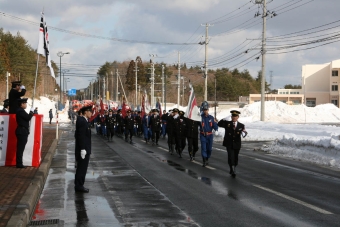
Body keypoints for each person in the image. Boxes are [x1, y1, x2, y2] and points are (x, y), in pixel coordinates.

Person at [218, 110, 247, 178]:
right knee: (231, 156)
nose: (234, 117)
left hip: (237, 144)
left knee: (235, 157)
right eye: (233, 116)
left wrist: (244, 133)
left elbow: (244, 132)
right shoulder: (227, 123)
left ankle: (233, 167)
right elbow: (219, 124)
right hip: (229, 143)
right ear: (231, 117)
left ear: (238, 117)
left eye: (235, 116)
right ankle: (233, 169)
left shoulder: (241, 125)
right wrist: (223, 119)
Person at [74, 105, 92, 193]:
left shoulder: (84, 121)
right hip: (83, 149)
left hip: (84, 148)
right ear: (86, 112)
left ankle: (78, 184)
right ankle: (79, 185)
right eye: (90, 111)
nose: (91, 113)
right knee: (82, 168)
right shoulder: (82, 122)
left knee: (81, 167)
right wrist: (82, 149)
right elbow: (81, 136)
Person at [15, 98, 35, 168]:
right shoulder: (20, 111)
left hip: (23, 131)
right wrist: (31, 112)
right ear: (22, 104)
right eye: (25, 103)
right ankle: (19, 163)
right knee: (20, 148)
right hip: (22, 131)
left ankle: (19, 163)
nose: (26, 105)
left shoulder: (21, 110)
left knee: (21, 148)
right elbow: (27, 118)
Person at [199, 101, 218, 167]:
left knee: (209, 148)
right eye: (204, 110)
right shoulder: (200, 118)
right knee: (203, 148)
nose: (205, 111)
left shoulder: (211, 118)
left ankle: (207, 157)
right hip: (203, 135)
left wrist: (216, 129)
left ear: (208, 110)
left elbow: (214, 124)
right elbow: (197, 124)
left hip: (210, 135)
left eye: (206, 110)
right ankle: (204, 160)